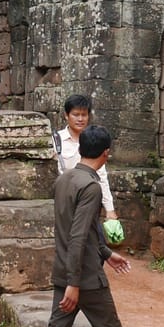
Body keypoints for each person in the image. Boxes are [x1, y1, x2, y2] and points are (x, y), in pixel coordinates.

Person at [15, 125, 164, 327]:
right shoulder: (91, 186)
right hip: (84, 280)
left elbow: (81, 231)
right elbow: (77, 236)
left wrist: (105, 253)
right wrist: (76, 283)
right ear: (105, 153)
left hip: (64, 272)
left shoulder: (63, 180)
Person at [51, 95, 124, 244]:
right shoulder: (56, 141)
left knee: (95, 243)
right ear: (66, 115)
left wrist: (109, 209)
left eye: (84, 115)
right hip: (65, 201)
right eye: (75, 114)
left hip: (88, 199)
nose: (80, 119)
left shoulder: (93, 139)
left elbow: (101, 176)